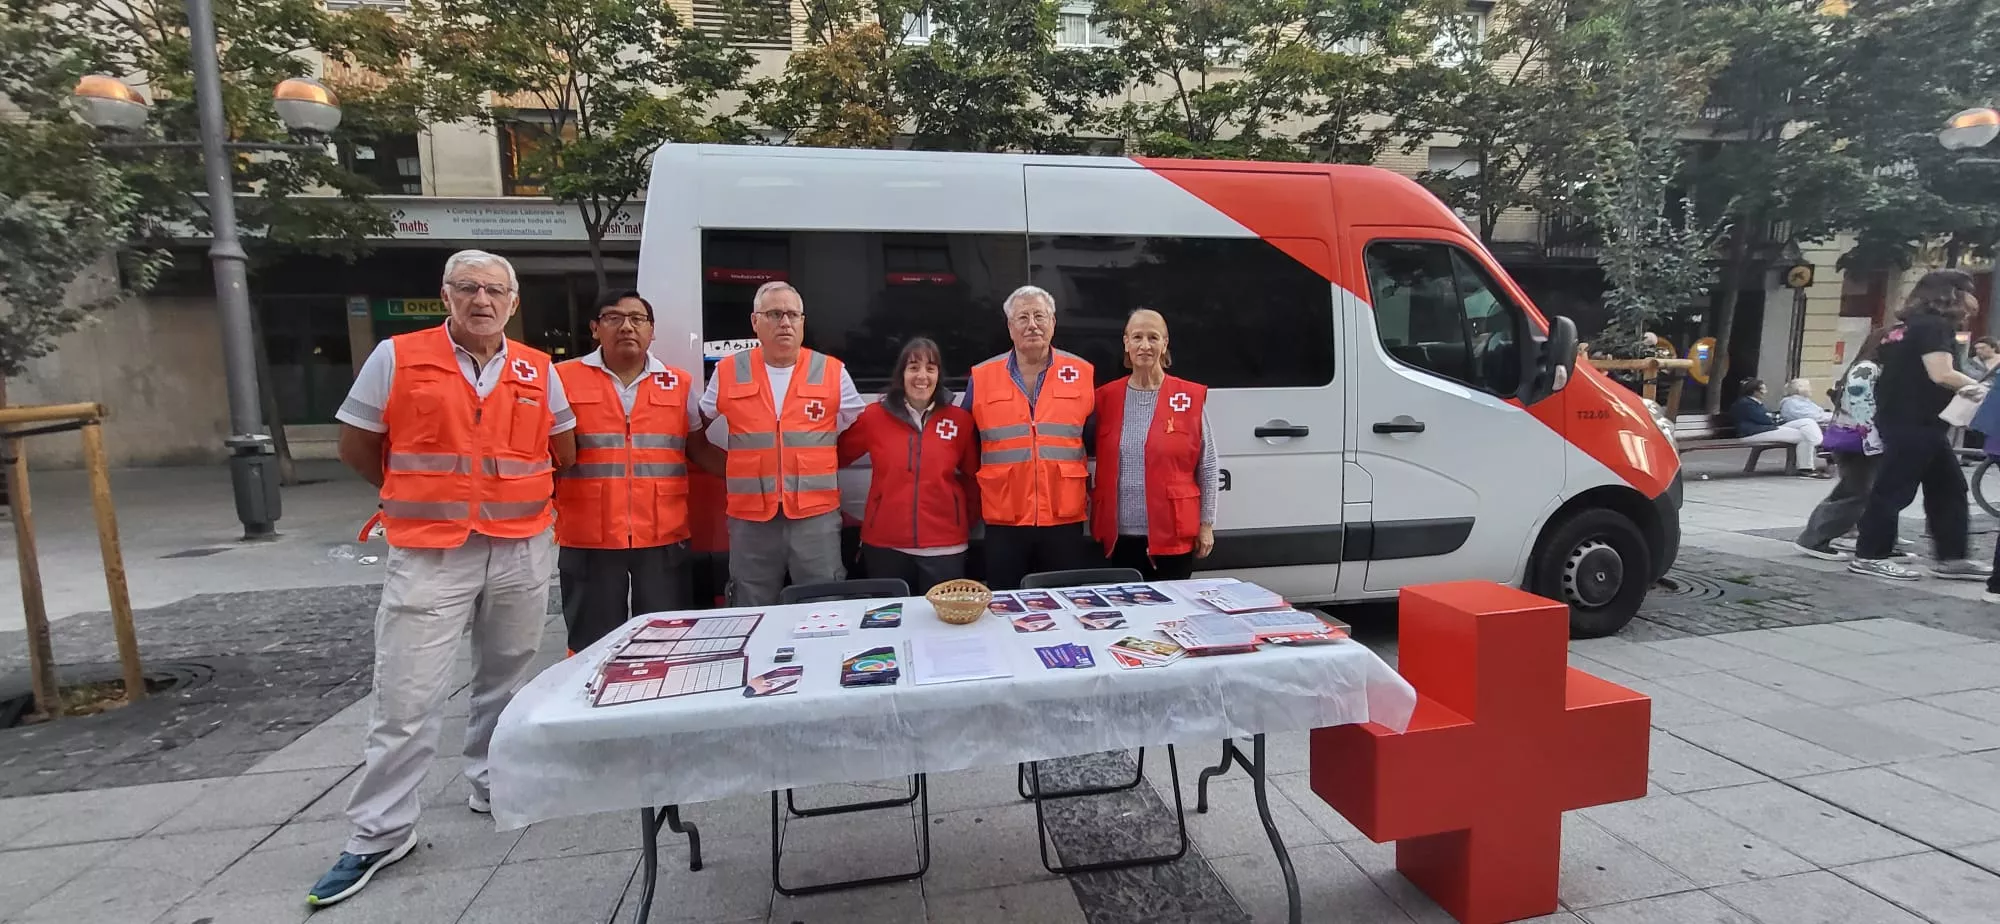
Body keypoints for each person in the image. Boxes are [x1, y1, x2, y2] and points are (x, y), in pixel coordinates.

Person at [311, 250, 575, 906]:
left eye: (495, 291)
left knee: (506, 680)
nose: (482, 300)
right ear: (446, 297)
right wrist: (417, 493)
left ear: (513, 303)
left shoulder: (537, 369)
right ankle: (380, 832)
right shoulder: (398, 357)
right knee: (405, 695)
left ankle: (491, 783)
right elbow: (356, 444)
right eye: (469, 289)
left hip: (518, 547)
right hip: (431, 551)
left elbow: (562, 450)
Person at [552, 290, 722, 654]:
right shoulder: (562, 379)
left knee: (664, 638)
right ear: (595, 328)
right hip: (589, 535)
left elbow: (698, 448)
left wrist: (755, 473)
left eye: (637, 319)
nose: (627, 326)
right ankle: (588, 709)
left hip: (662, 532)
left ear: (652, 331)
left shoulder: (678, 383)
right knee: (591, 645)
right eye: (614, 318)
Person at [700, 281, 865, 605]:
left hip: (814, 517)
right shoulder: (729, 371)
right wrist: (731, 469)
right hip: (751, 521)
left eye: (792, 314)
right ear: (755, 322)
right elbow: (697, 427)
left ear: (803, 321)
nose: (785, 323)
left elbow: (851, 430)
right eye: (774, 314)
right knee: (751, 605)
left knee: (823, 603)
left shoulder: (832, 371)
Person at [1849, 269, 1993, 582]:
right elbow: (1941, 373)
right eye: (1970, 292)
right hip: (1914, 420)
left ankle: (1952, 558)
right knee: (1893, 489)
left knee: (1949, 487)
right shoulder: (1935, 326)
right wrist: (1984, 391)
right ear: (1953, 293)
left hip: (1911, 418)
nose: (1975, 300)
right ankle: (1870, 555)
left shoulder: (1904, 327)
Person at [959, 285, 1096, 590]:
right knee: (1005, 603)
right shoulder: (982, 377)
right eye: (1022, 317)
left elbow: (1094, 439)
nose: (1032, 324)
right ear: (1010, 327)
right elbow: (965, 442)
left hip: (1063, 517)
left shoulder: (1082, 373)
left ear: (1053, 323)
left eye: (1039, 316)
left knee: (1065, 605)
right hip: (1005, 517)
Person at [837, 337, 980, 592]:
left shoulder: (960, 421)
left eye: (930, 368)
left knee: (943, 626)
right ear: (901, 373)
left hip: (945, 547)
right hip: (885, 546)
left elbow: (974, 478)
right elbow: (833, 458)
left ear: (938, 375)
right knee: (888, 625)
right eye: (913, 367)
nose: (921, 376)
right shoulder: (874, 417)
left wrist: (961, 519)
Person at [1089, 309, 1220, 582]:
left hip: (1172, 535)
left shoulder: (1186, 397)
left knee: (1170, 616)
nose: (1145, 345)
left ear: (1165, 343)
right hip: (1119, 537)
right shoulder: (1106, 398)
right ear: (1126, 342)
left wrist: (1206, 524)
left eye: (1153, 337)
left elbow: (1207, 466)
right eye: (1137, 337)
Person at [1795, 329, 1910, 560]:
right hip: (1859, 441)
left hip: (1867, 439)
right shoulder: (1868, 369)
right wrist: (1872, 436)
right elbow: (1860, 405)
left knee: (1866, 490)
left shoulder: (1877, 368)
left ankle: (1874, 539)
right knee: (1855, 491)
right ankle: (1814, 538)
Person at [1729, 378, 1828, 478]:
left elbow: (1767, 418)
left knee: (1807, 422)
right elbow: (1764, 420)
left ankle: (1814, 450)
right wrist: (1775, 418)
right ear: (1754, 391)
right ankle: (1806, 468)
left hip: (1765, 430)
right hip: (1753, 433)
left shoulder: (1753, 402)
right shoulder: (1746, 403)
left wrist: (1774, 418)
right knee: (1804, 436)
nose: (1765, 392)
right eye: (1763, 389)